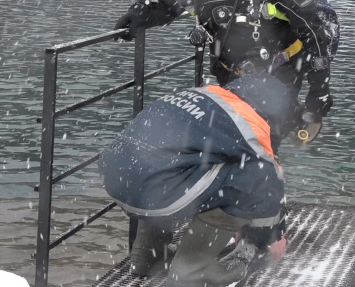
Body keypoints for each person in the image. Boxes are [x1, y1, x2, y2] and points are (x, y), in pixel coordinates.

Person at [112, 0, 338, 144]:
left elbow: (313, 29)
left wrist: (319, 91)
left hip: (282, 67)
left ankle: (272, 151)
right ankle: (284, 122)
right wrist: (139, 14)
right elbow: (167, 4)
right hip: (230, 69)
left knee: (263, 136)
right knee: (232, 130)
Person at [99, 74, 301, 286]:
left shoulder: (204, 94)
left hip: (116, 175)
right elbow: (270, 180)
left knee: (169, 162)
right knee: (257, 176)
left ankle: (147, 255)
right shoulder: (250, 122)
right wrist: (269, 237)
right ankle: (191, 270)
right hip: (158, 192)